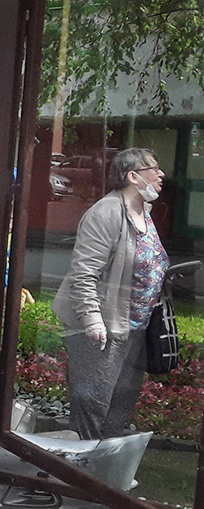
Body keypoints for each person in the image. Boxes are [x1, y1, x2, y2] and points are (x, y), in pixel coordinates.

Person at [51, 147, 168, 440]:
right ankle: (81, 476)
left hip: (133, 327)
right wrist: (92, 321)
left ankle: (105, 475)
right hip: (101, 329)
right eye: (153, 168)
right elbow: (84, 272)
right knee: (93, 405)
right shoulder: (106, 212)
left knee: (120, 402)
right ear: (132, 176)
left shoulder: (144, 211)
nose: (161, 174)